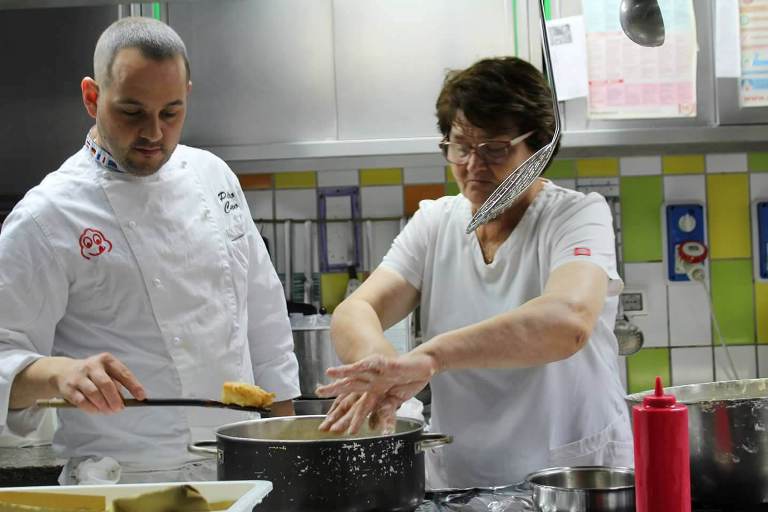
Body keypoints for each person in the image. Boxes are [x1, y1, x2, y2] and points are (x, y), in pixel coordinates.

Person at [0, 17, 300, 484]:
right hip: (124, 480)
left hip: (237, 469)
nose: (154, 134)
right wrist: (58, 373)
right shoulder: (46, 216)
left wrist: (285, 444)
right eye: (132, 112)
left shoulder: (214, 176)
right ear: (92, 97)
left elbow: (263, 316)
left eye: (171, 113)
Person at [317, 56, 633, 488]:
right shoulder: (436, 222)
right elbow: (356, 310)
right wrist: (383, 369)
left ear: (539, 149)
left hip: (571, 480)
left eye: (495, 149)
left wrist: (432, 356)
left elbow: (568, 322)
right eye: (461, 146)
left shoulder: (577, 215)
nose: (472, 165)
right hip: (465, 484)